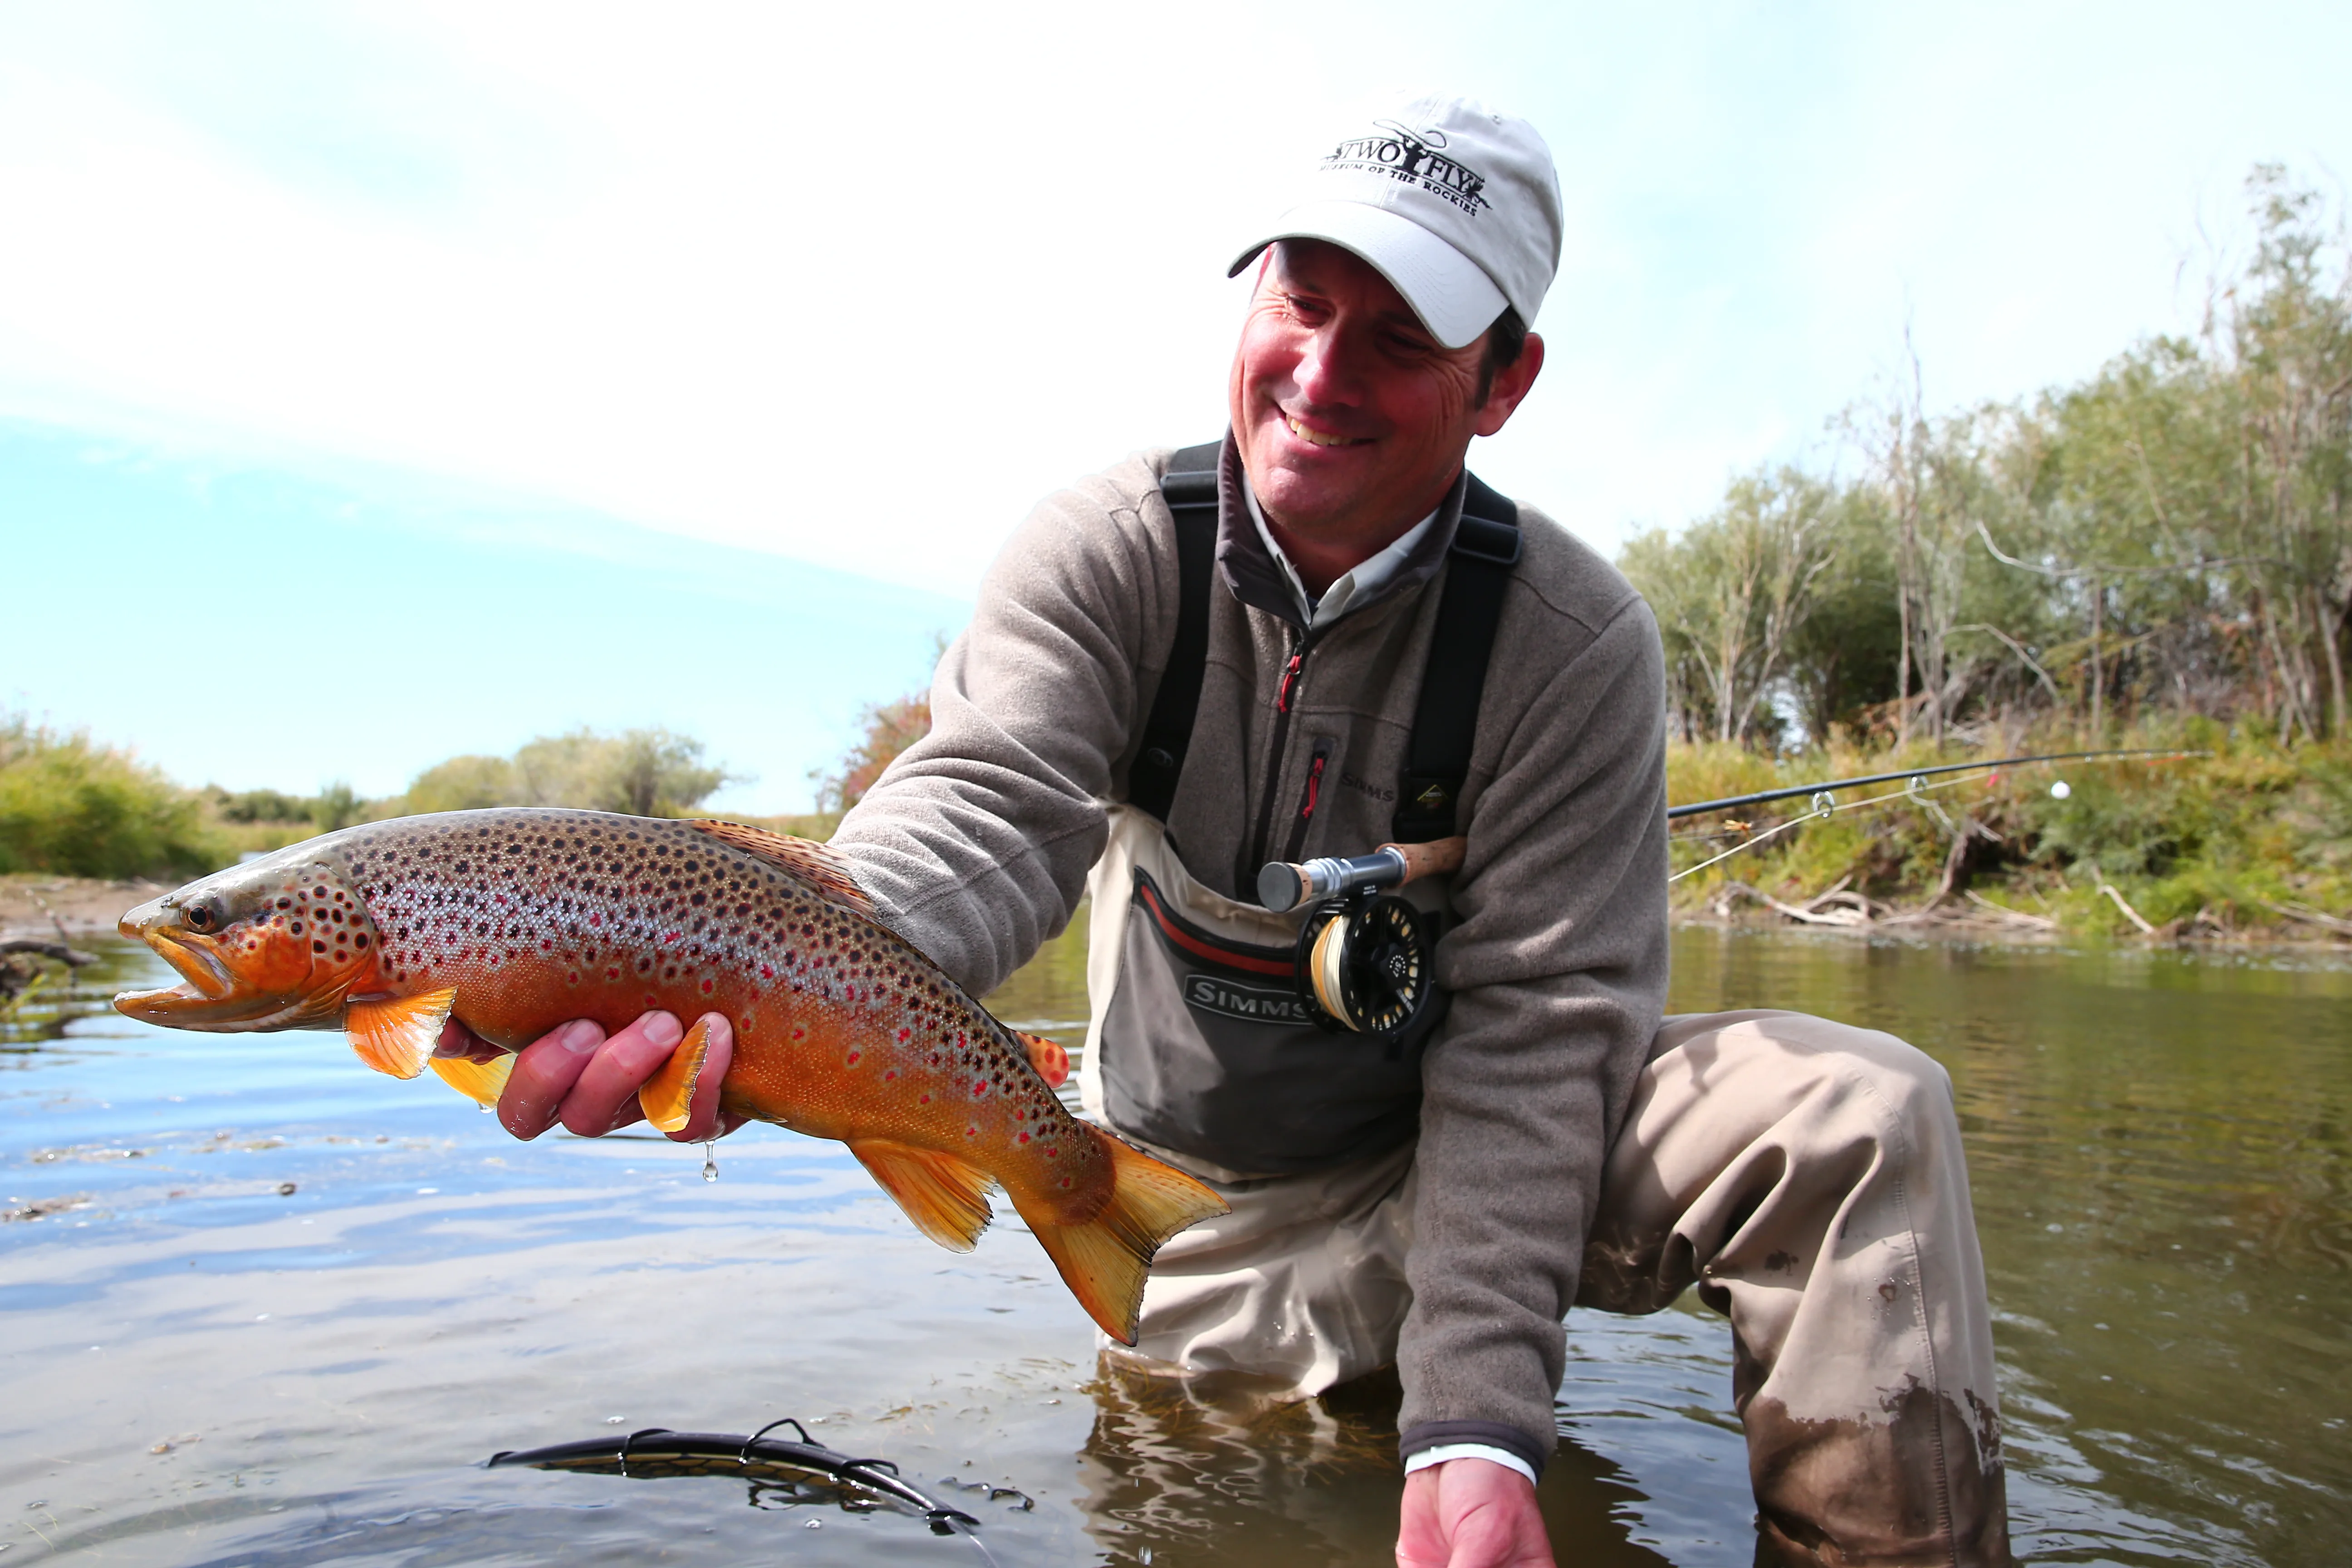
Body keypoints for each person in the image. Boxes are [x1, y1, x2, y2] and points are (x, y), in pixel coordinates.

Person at [453, 95, 2014, 1568]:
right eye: (1299, 301)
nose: (1324, 371)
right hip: (1178, 1205)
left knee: (1860, 1114)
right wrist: (762, 987)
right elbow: (984, 808)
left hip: (1478, 1169)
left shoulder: (1572, 644)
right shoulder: (1111, 551)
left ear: (1507, 381)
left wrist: (1481, 1421)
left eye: (1400, 339)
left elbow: (1542, 1036)